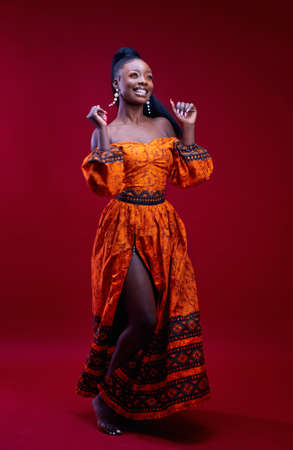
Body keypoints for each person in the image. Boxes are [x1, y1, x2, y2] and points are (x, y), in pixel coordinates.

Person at [76, 47, 214, 436]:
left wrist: (188, 127)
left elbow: (190, 177)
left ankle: (127, 396)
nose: (143, 82)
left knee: (161, 320)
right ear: (116, 84)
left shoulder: (164, 127)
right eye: (134, 76)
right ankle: (102, 393)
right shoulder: (107, 130)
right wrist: (102, 130)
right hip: (124, 226)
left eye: (148, 76)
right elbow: (107, 185)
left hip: (163, 226)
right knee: (143, 318)